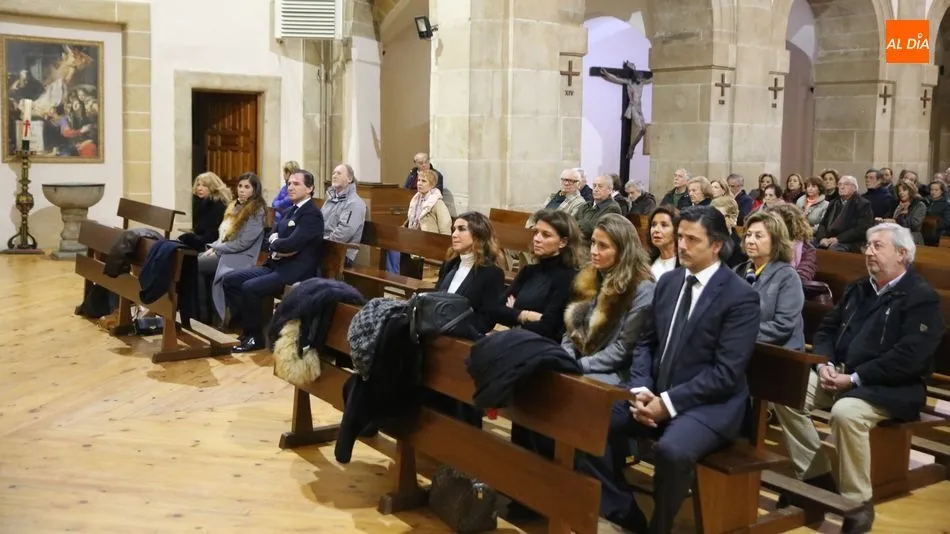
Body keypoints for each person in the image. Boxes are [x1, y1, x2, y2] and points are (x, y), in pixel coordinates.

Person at [578, 206, 760, 534]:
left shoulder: (740, 296)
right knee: (585, 422)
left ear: (716, 245)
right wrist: (641, 390)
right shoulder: (669, 282)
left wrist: (668, 404)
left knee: (672, 451)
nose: (682, 246)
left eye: (692, 239)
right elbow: (646, 344)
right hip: (656, 393)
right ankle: (623, 512)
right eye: (680, 237)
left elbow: (725, 373)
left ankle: (660, 526)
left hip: (710, 406)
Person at [773, 223, 945, 534]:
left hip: (894, 387)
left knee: (845, 413)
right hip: (842, 374)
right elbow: (825, 330)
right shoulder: (859, 288)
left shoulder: (921, 298)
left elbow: (909, 357)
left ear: (903, 254)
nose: (868, 252)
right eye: (867, 245)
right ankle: (817, 476)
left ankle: (857, 503)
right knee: (785, 388)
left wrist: (854, 378)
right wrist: (824, 364)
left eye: (878, 246)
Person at [221, 169, 324, 353]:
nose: (290, 187)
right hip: (276, 266)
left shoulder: (311, 214)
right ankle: (247, 326)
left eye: (296, 184)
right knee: (230, 280)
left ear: (309, 189)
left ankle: (255, 337)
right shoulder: (289, 210)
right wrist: (278, 244)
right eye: (289, 183)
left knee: (250, 287)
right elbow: (270, 238)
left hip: (294, 272)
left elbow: (292, 243)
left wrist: (278, 244)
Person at [562, 214, 655, 385]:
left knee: (574, 388)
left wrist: (580, 365)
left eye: (603, 246)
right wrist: (565, 358)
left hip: (616, 371)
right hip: (580, 361)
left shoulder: (641, 288)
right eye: (593, 242)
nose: (594, 251)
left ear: (623, 251)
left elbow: (623, 349)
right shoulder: (588, 275)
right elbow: (571, 330)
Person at [494, 209, 580, 341]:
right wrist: (527, 315)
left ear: (563, 242)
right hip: (515, 340)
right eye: (536, 232)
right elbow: (496, 310)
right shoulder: (528, 271)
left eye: (546, 235)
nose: (536, 239)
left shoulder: (568, 278)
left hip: (539, 347)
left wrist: (513, 312)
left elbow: (548, 327)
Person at [197, 172, 267, 325]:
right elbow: (224, 235)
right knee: (194, 263)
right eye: (240, 186)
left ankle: (205, 316)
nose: (242, 190)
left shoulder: (256, 211)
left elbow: (243, 243)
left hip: (241, 256)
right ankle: (204, 314)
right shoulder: (234, 206)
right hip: (226, 251)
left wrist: (217, 248)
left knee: (196, 265)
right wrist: (215, 247)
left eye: (247, 187)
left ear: (255, 190)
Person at [735, 211, 805, 350]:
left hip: (777, 355)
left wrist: (736, 331)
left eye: (758, 236)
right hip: (740, 349)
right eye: (748, 235)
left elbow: (782, 326)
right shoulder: (738, 270)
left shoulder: (788, 277)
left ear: (775, 241)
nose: (750, 240)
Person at [433, 212, 506, 336]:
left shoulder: (492, 273)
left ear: (478, 234)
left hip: (463, 337)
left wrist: (457, 328)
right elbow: (436, 296)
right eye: (454, 229)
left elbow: (488, 318)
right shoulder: (450, 263)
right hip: (437, 328)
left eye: (461, 229)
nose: (454, 234)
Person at [322, 163, 367, 267]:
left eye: (339, 173)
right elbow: (319, 221)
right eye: (333, 173)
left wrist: (322, 244)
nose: (334, 175)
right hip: (325, 246)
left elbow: (344, 233)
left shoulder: (354, 203)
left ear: (350, 179)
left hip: (342, 253)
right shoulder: (330, 198)